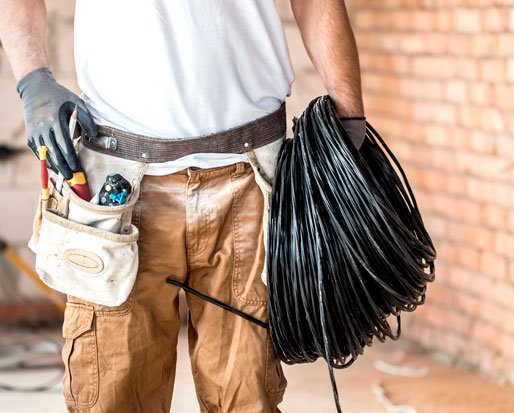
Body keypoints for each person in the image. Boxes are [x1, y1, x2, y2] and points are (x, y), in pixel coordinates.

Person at [0, 0, 366, 411]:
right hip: (119, 191)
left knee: (248, 397)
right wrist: (32, 78)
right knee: (112, 397)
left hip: (251, 182)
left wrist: (350, 117)